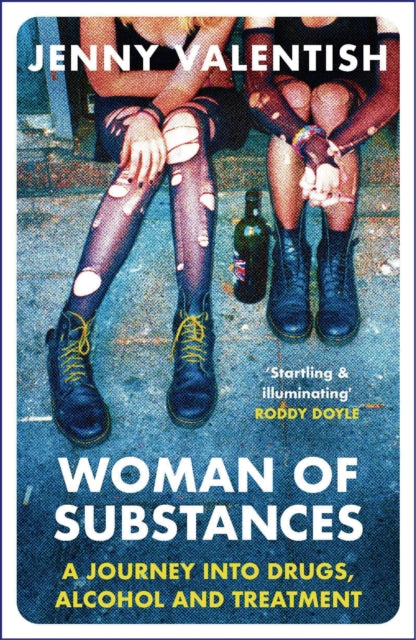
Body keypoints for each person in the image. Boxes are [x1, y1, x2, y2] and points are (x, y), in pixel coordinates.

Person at [46, 17, 251, 445]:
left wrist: (156, 106)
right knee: (147, 154)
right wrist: (186, 77)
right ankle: (71, 331)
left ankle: (193, 321)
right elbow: (104, 81)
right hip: (125, 106)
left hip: (205, 105)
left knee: (183, 134)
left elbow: (214, 79)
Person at [243, 17, 399, 344]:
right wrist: (311, 146)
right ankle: (290, 252)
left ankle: (335, 254)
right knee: (293, 95)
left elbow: (393, 90)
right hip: (284, 93)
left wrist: (330, 152)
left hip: (349, 90)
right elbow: (257, 85)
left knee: (330, 99)